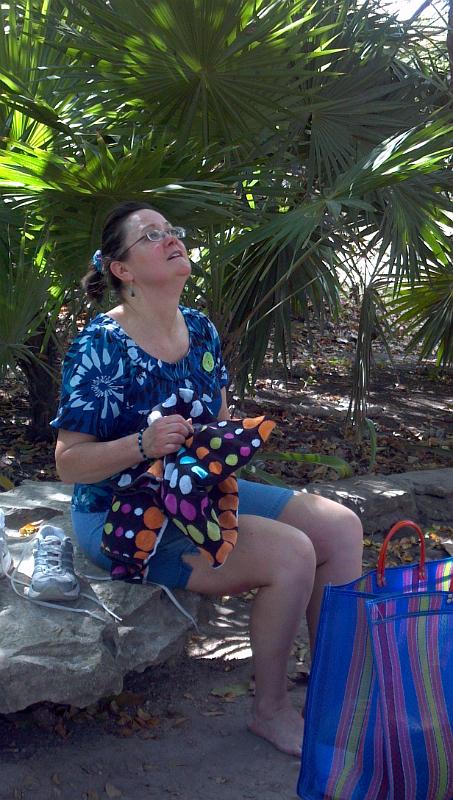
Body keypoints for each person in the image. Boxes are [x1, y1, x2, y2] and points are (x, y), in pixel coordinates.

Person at [51, 201, 363, 757]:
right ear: (121, 269)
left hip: (195, 492)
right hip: (123, 512)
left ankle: (335, 681)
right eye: (151, 236)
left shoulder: (199, 327)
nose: (171, 239)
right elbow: (69, 462)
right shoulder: (99, 347)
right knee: (291, 553)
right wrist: (142, 445)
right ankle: (270, 711)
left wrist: (224, 445)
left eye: (172, 230)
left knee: (338, 526)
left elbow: (213, 424)